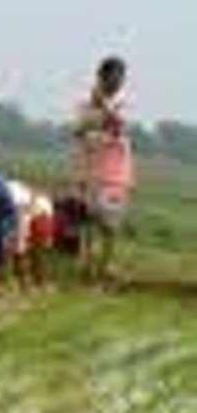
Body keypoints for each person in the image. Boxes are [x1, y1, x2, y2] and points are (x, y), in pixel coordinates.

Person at [72, 56, 134, 280]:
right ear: (102, 76)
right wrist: (96, 111)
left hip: (116, 172)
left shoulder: (122, 103)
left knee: (110, 224)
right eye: (115, 76)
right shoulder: (84, 104)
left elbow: (118, 126)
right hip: (90, 169)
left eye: (121, 77)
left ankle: (104, 267)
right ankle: (86, 266)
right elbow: (78, 130)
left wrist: (104, 109)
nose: (119, 81)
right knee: (89, 221)